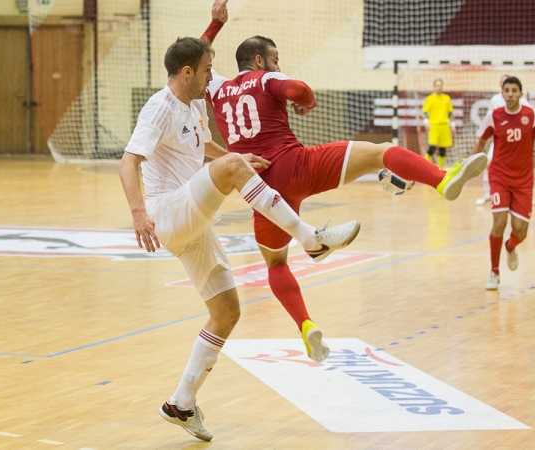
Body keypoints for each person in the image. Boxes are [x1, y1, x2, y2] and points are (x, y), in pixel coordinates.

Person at [200, 0, 487, 360]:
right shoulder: (267, 78)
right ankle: (441, 180)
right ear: (259, 61)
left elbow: (197, 58)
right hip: (297, 166)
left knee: (277, 264)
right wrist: (307, 101)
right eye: (275, 59)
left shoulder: (215, 88)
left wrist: (213, 26)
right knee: (380, 150)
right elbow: (300, 91)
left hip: (259, 190)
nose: (278, 65)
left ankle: (306, 326)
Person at [119, 33, 360, 441]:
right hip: (167, 212)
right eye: (208, 69)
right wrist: (139, 213)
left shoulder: (194, 102)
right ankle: (309, 237)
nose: (215, 77)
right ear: (187, 72)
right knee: (231, 167)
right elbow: (128, 163)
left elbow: (202, 143)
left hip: (191, 221)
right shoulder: (159, 107)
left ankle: (181, 402)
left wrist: (213, 25)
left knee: (227, 312)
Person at [470, 76, 535, 290]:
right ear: (502, 93)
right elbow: (481, 142)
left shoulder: (532, 115)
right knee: (498, 223)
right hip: (499, 177)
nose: (509, 94)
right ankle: (494, 272)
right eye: (506, 90)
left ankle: (511, 246)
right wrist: (468, 168)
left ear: (520, 94)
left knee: (520, 230)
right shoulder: (493, 116)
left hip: (524, 181)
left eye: (514, 90)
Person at [475, 75, 533, 206]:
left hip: (516, 142)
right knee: (488, 164)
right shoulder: (495, 99)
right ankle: (487, 194)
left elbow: (531, 114)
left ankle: (530, 196)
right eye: (503, 83)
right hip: (499, 140)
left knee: (523, 168)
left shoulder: (521, 100)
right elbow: (491, 118)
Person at [421, 79, 454, 169]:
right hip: (434, 126)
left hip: (444, 126)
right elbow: (424, 112)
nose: (439, 87)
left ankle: (440, 169)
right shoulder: (430, 99)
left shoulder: (446, 98)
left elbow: (450, 112)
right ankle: (424, 167)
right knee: (432, 147)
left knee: (443, 149)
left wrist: (453, 124)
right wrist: (426, 122)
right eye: (437, 85)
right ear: (434, 87)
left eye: (440, 85)